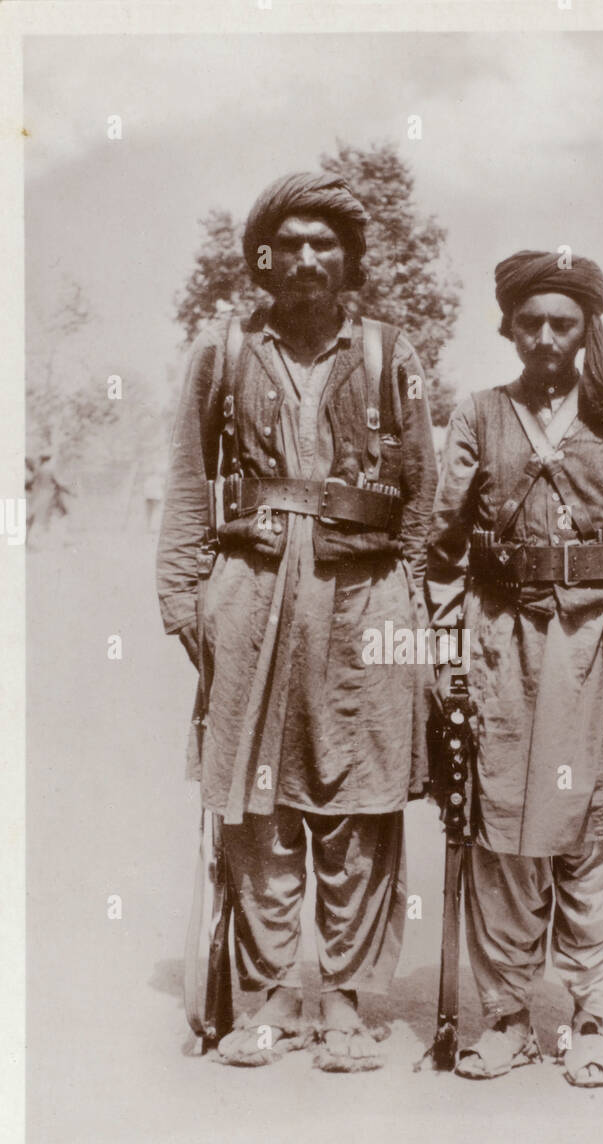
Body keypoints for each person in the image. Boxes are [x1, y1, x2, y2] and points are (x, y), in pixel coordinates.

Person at [157, 172, 436, 1070]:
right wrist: (183, 597)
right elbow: (191, 481)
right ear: (264, 260)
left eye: (328, 244)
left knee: (359, 800)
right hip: (252, 586)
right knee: (258, 802)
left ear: (349, 261)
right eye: (292, 243)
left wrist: (418, 610)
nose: (310, 258)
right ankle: (271, 993)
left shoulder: (394, 354)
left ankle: (348, 1002)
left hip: (365, 597)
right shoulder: (224, 352)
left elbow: (424, 497)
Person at [425, 249, 603, 1085]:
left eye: (561, 323)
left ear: (586, 329)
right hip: (502, 648)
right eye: (528, 322)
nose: (544, 337)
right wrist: (444, 649)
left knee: (597, 836)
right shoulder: (477, 415)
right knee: (503, 836)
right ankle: (503, 1016)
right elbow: (443, 546)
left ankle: (594, 1016)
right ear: (507, 327)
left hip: (600, 649)